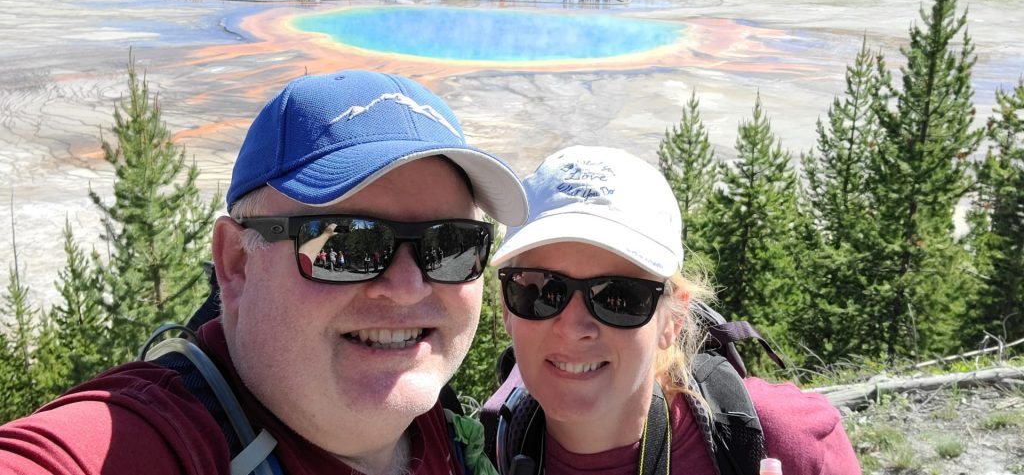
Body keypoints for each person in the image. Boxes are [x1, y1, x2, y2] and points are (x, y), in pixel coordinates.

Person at [0, 69, 528, 475]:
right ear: (236, 263)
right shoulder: (150, 443)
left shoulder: (450, 433)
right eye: (345, 244)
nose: (410, 285)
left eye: (452, 246)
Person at [489, 145, 860, 475]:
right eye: (541, 291)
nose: (573, 326)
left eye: (618, 297)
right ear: (508, 308)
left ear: (673, 318)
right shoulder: (475, 452)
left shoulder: (785, 441)